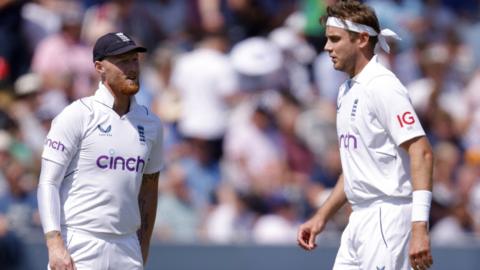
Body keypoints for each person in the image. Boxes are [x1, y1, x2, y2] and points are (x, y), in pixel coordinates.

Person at [297, 1, 434, 270]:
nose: (327, 47)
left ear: (361, 39)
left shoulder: (383, 86)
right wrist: (322, 216)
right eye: (327, 39)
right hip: (359, 220)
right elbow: (354, 168)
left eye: (335, 39)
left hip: (388, 219)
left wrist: (419, 226)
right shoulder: (346, 90)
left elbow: (422, 151)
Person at [37, 32, 164, 270]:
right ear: (99, 67)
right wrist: (54, 243)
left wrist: (142, 247)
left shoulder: (151, 124)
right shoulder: (78, 115)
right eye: (122, 61)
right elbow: (48, 183)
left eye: (134, 60)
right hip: (79, 241)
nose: (132, 68)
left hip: (127, 246)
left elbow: (149, 189)